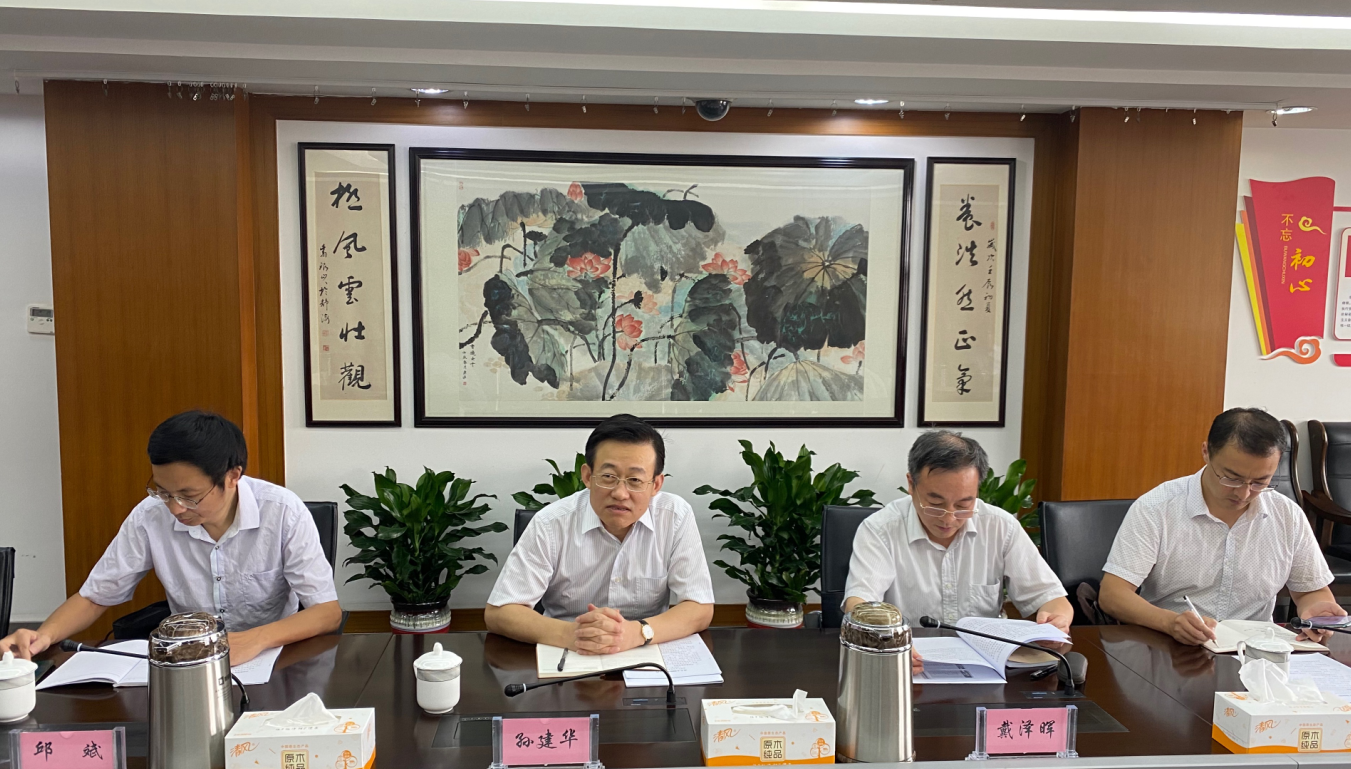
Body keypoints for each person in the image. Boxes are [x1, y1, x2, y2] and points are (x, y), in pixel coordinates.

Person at [0, 411, 341, 664]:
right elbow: (95, 596)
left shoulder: (282, 511)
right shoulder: (150, 516)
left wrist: (255, 640)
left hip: (274, 659)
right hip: (187, 663)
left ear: (232, 476)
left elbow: (327, 612)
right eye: (163, 491)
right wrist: (42, 636)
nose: (175, 508)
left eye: (189, 495)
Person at [1099, 408, 1345, 645]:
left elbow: (1311, 591)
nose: (1244, 493)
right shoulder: (1157, 508)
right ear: (1206, 452)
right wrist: (1170, 622)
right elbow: (1112, 595)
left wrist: (1317, 612)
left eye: (1260, 482)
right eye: (1232, 478)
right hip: (1169, 644)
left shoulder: (1287, 515)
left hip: (1255, 651)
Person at [844, 431, 1073, 672]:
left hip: (987, 668)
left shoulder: (1000, 526)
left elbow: (1052, 598)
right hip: (910, 666)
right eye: (935, 504)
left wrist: (1056, 621)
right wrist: (888, 643)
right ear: (911, 485)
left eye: (964, 504)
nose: (949, 518)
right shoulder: (880, 529)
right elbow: (859, 603)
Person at [485, 414, 714, 653]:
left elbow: (699, 607)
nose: (620, 493)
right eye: (608, 477)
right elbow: (500, 612)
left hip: (645, 650)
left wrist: (635, 633)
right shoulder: (551, 523)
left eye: (635, 480)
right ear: (587, 476)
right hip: (568, 651)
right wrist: (575, 634)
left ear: (655, 484)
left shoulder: (674, 516)